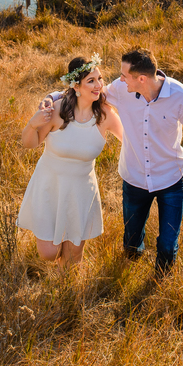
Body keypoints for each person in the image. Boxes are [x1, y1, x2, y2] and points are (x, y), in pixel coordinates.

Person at [42, 48, 183, 275]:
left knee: (166, 243)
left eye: (124, 75)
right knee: (132, 241)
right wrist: (52, 97)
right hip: (134, 180)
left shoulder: (179, 97)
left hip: (171, 180)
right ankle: (129, 270)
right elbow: (87, 92)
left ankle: (160, 283)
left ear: (141, 79)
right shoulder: (121, 89)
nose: (119, 79)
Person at [18, 54, 124, 268]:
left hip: (81, 190)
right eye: (91, 81)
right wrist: (32, 124)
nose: (99, 85)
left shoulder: (106, 115)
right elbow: (29, 143)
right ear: (76, 86)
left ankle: (62, 293)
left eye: (100, 79)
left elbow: (130, 141)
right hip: (50, 185)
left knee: (72, 259)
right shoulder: (57, 110)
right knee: (48, 253)